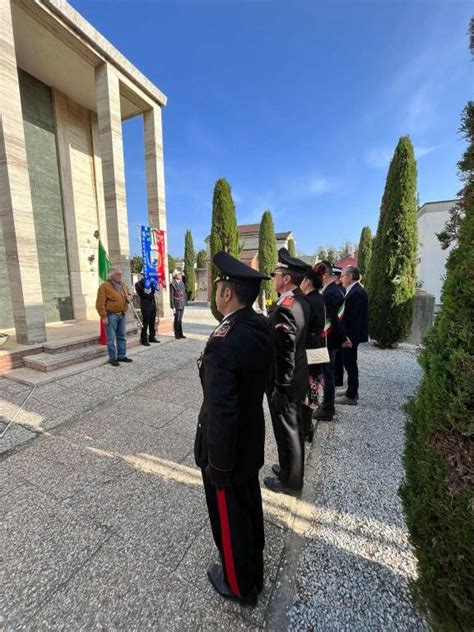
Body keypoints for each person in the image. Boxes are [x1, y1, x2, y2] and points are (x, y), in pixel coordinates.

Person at [194, 251, 272, 607]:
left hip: (229, 451)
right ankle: (253, 565)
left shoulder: (224, 342)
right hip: (252, 435)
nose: (216, 293)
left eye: (217, 287)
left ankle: (240, 585)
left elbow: (222, 411)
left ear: (226, 294)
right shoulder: (258, 326)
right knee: (248, 507)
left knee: (230, 517)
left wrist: (218, 467)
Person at [264, 248, 310, 496]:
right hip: (296, 377)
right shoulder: (299, 300)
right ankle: (287, 469)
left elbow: (285, 353)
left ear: (287, 279)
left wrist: (281, 387)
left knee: (288, 429)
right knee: (292, 428)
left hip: (285, 381)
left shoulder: (286, 307)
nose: (273, 277)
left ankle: (291, 483)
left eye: (276, 273)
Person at [313, 261, 346, 421]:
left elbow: (334, 320)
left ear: (324, 274)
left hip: (327, 341)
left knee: (326, 374)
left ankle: (327, 408)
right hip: (328, 340)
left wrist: (343, 338)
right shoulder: (333, 289)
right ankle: (326, 405)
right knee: (326, 373)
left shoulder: (330, 293)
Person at [335, 266, 368, 405]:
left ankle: (351, 395)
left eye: (342, 276)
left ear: (349, 276)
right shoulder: (353, 290)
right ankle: (350, 388)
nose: (340, 279)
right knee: (348, 362)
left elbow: (351, 318)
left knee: (350, 364)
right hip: (350, 334)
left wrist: (345, 337)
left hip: (351, 335)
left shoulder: (357, 292)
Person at [300, 265, 325, 442]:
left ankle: (305, 427)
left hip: (309, 344)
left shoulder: (307, 300)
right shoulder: (319, 298)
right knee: (314, 384)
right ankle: (308, 426)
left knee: (306, 384)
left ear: (307, 281)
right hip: (319, 344)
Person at [95, 266, 133, 366]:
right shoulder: (104, 287)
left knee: (122, 336)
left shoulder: (123, 284)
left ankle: (121, 356)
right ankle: (112, 358)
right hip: (111, 315)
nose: (121, 276)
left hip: (122, 314)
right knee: (111, 338)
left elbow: (130, 294)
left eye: (121, 274)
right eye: (118, 274)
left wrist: (129, 297)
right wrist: (104, 316)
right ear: (112, 276)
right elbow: (99, 304)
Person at [135, 275, 160, 346]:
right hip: (145, 305)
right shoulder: (138, 284)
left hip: (152, 305)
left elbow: (155, 292)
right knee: (145, 323)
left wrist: (156, 287)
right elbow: (142, 295)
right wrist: (151, 295)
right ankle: (144, 339)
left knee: (152, 322)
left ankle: (152, 337)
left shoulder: (151, 283)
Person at [333, 268, 345, 388]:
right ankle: (337, 379)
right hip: (338, 327)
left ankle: (337, 380)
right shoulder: (339, 289)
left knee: (338, 358)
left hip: (337, 327)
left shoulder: (339, 290)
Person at [170, 271, 187, 339]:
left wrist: (184, 303)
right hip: (176, 304)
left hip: (182, 303)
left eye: (180, 274)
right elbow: (171, 296)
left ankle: (181, 333)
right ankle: (176, 334)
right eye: (178, 274)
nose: (180, 275)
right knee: (176, 319)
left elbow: (183, 293)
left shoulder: (181, 283)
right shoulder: (172, 284)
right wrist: (173, 306)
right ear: (175, 275)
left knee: (180, 319)